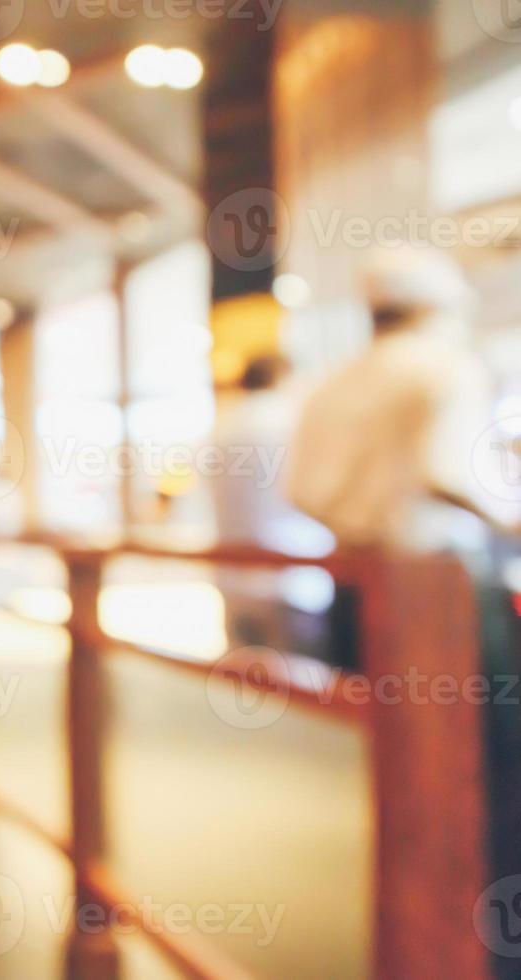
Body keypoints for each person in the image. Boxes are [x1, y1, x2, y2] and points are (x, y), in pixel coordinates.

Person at [284, 251, 520, 975]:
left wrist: (364, 525)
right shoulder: (445, 367)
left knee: (396, 772)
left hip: (357, 591)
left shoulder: (332, 386)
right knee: (490, 769)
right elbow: (450, 470)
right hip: (444, 599)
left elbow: (303, 490)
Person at [208, 355, 334, 656]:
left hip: (232, 577)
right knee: (302, 688)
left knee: (246, 684)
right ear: (283, 378)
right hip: (293, 580)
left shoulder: (222, 427)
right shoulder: (291, 421)